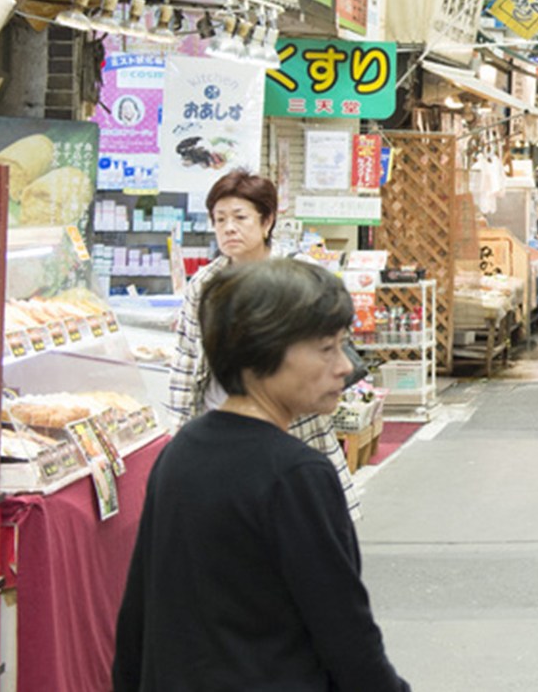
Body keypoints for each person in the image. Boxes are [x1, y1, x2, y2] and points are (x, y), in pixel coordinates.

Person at [114, 259, 407, 690]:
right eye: (326, 348)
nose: (344, 366)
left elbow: (137, 615)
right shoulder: (296, 473)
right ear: (261, 351)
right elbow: (344, 631)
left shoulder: (180, 452)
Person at [165, 169, 357, 514]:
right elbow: (186, 357)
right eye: (220, 219)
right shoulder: (205, 283)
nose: (228, 228)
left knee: (296, 518)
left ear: (267, 221)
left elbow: (335, 339)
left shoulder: (299, 276)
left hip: (291, 425)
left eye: (240, 217)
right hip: (220, 422)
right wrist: (178, 432)